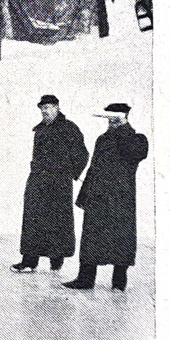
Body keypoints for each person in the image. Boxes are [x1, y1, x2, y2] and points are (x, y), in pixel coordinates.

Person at [63, 103, 149, 291]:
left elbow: (135, 154)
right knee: (90, 240)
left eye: (114, 119)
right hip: (97, 198)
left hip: (120, 200)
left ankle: (118, 282)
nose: (110, 123)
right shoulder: (102, 139)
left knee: (121, 240)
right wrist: (84, 196)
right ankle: (85, 279)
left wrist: (123, 128)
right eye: (109, 119)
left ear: (124, 117)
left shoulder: (137, 139)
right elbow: (93, 168)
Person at [11, 95, 90, 273]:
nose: (45, 111)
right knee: (33, 219)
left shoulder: (69, 128)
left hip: (58, 183)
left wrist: (69, 173)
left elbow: (82, 154)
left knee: (57, 220)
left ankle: (56, 260)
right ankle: (29, 261)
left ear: (57, 107)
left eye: (48, 107)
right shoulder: (40, 129)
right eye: (42, 108)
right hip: (37, 180)